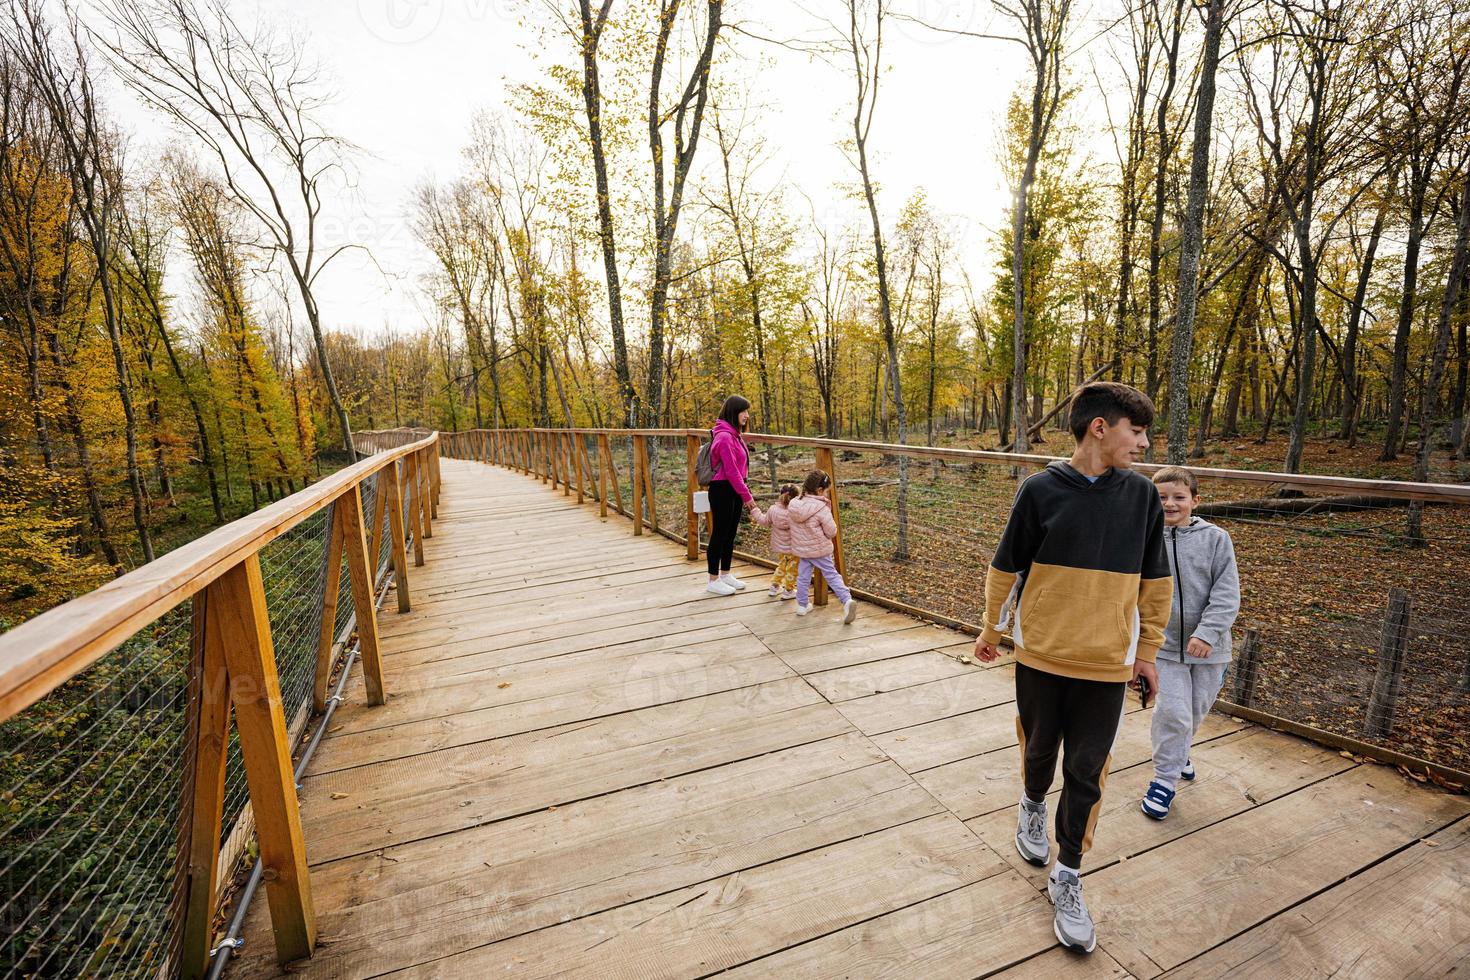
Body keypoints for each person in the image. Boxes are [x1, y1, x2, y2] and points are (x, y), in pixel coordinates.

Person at [973, 381, 1172, 954]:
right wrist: (993, 628)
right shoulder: (1039, 490)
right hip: (1040, 653)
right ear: (1100, 428)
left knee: (1087, 769)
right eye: (1136, 432)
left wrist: (1148, 653)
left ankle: (1070, 873)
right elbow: (1006, 565)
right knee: (1039, 751)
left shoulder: (1141, 498)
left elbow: (1157, 582)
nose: (1142, 442)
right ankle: (1032, 804)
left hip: (1107, 663)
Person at [1141, 465, 1240, 820]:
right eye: (1161, 497)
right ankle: (1164, 780)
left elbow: (1227, 592)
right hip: (1162, 646)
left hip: (1210, 649)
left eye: (1178, 497)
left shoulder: (1216, 539)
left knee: (1195, 711)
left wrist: (1207, 633)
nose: (1169, 504)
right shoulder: (1143, 538)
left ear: (1195, 501)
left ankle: (1180, 752)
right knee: (1173, 711)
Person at [785, 469, 857, 624]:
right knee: (831, 575)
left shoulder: (794, 504)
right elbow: (831, 531)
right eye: (825, 492)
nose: (826, 495)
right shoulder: (821, 508)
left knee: (803, 577)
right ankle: (846, 600)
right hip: (820, 550)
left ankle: (802, 606)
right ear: (819, 490)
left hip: (803, 550)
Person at [705, 395, 757, 596]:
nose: (747, 415)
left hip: (733, 488)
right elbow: (732, 471)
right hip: (722, 489)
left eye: (747, 411)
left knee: (730, 533)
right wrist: (748, 498)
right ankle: (712, 579)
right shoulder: (725, 437)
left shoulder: (735, 435)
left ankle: (725, 574)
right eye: (743, 411)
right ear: (733, 412)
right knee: (719, 533)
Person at [752, 484, 800, 599]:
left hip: (781, 547)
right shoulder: (796, 512)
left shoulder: (773, 510)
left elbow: (764, 521)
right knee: (792, 569)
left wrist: (755, 511)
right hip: (794, 548)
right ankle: (788, 590)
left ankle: (774, 586)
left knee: (782, 566)